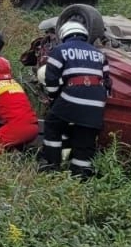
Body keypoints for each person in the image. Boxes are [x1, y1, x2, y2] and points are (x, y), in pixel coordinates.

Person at [38, 20, 111, 179]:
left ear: (64, 35)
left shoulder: (60, 50)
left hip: (73, 95)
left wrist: (54, 98)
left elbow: (51, 80)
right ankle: (81, 174)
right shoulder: (100, 54)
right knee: (85, 136)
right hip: (97, 102)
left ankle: (51, 164)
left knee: (53, 123)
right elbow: (107, 82)